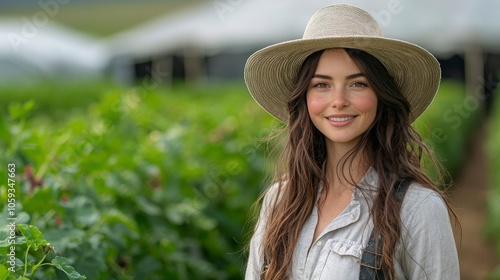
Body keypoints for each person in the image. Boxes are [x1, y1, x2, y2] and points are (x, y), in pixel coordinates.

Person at [244, 4, 460, 280]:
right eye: (321, 84)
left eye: (358, 83)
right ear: (305, 99)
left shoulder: (418, 209)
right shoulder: (279, 201)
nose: (339, 101)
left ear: (381, 95)